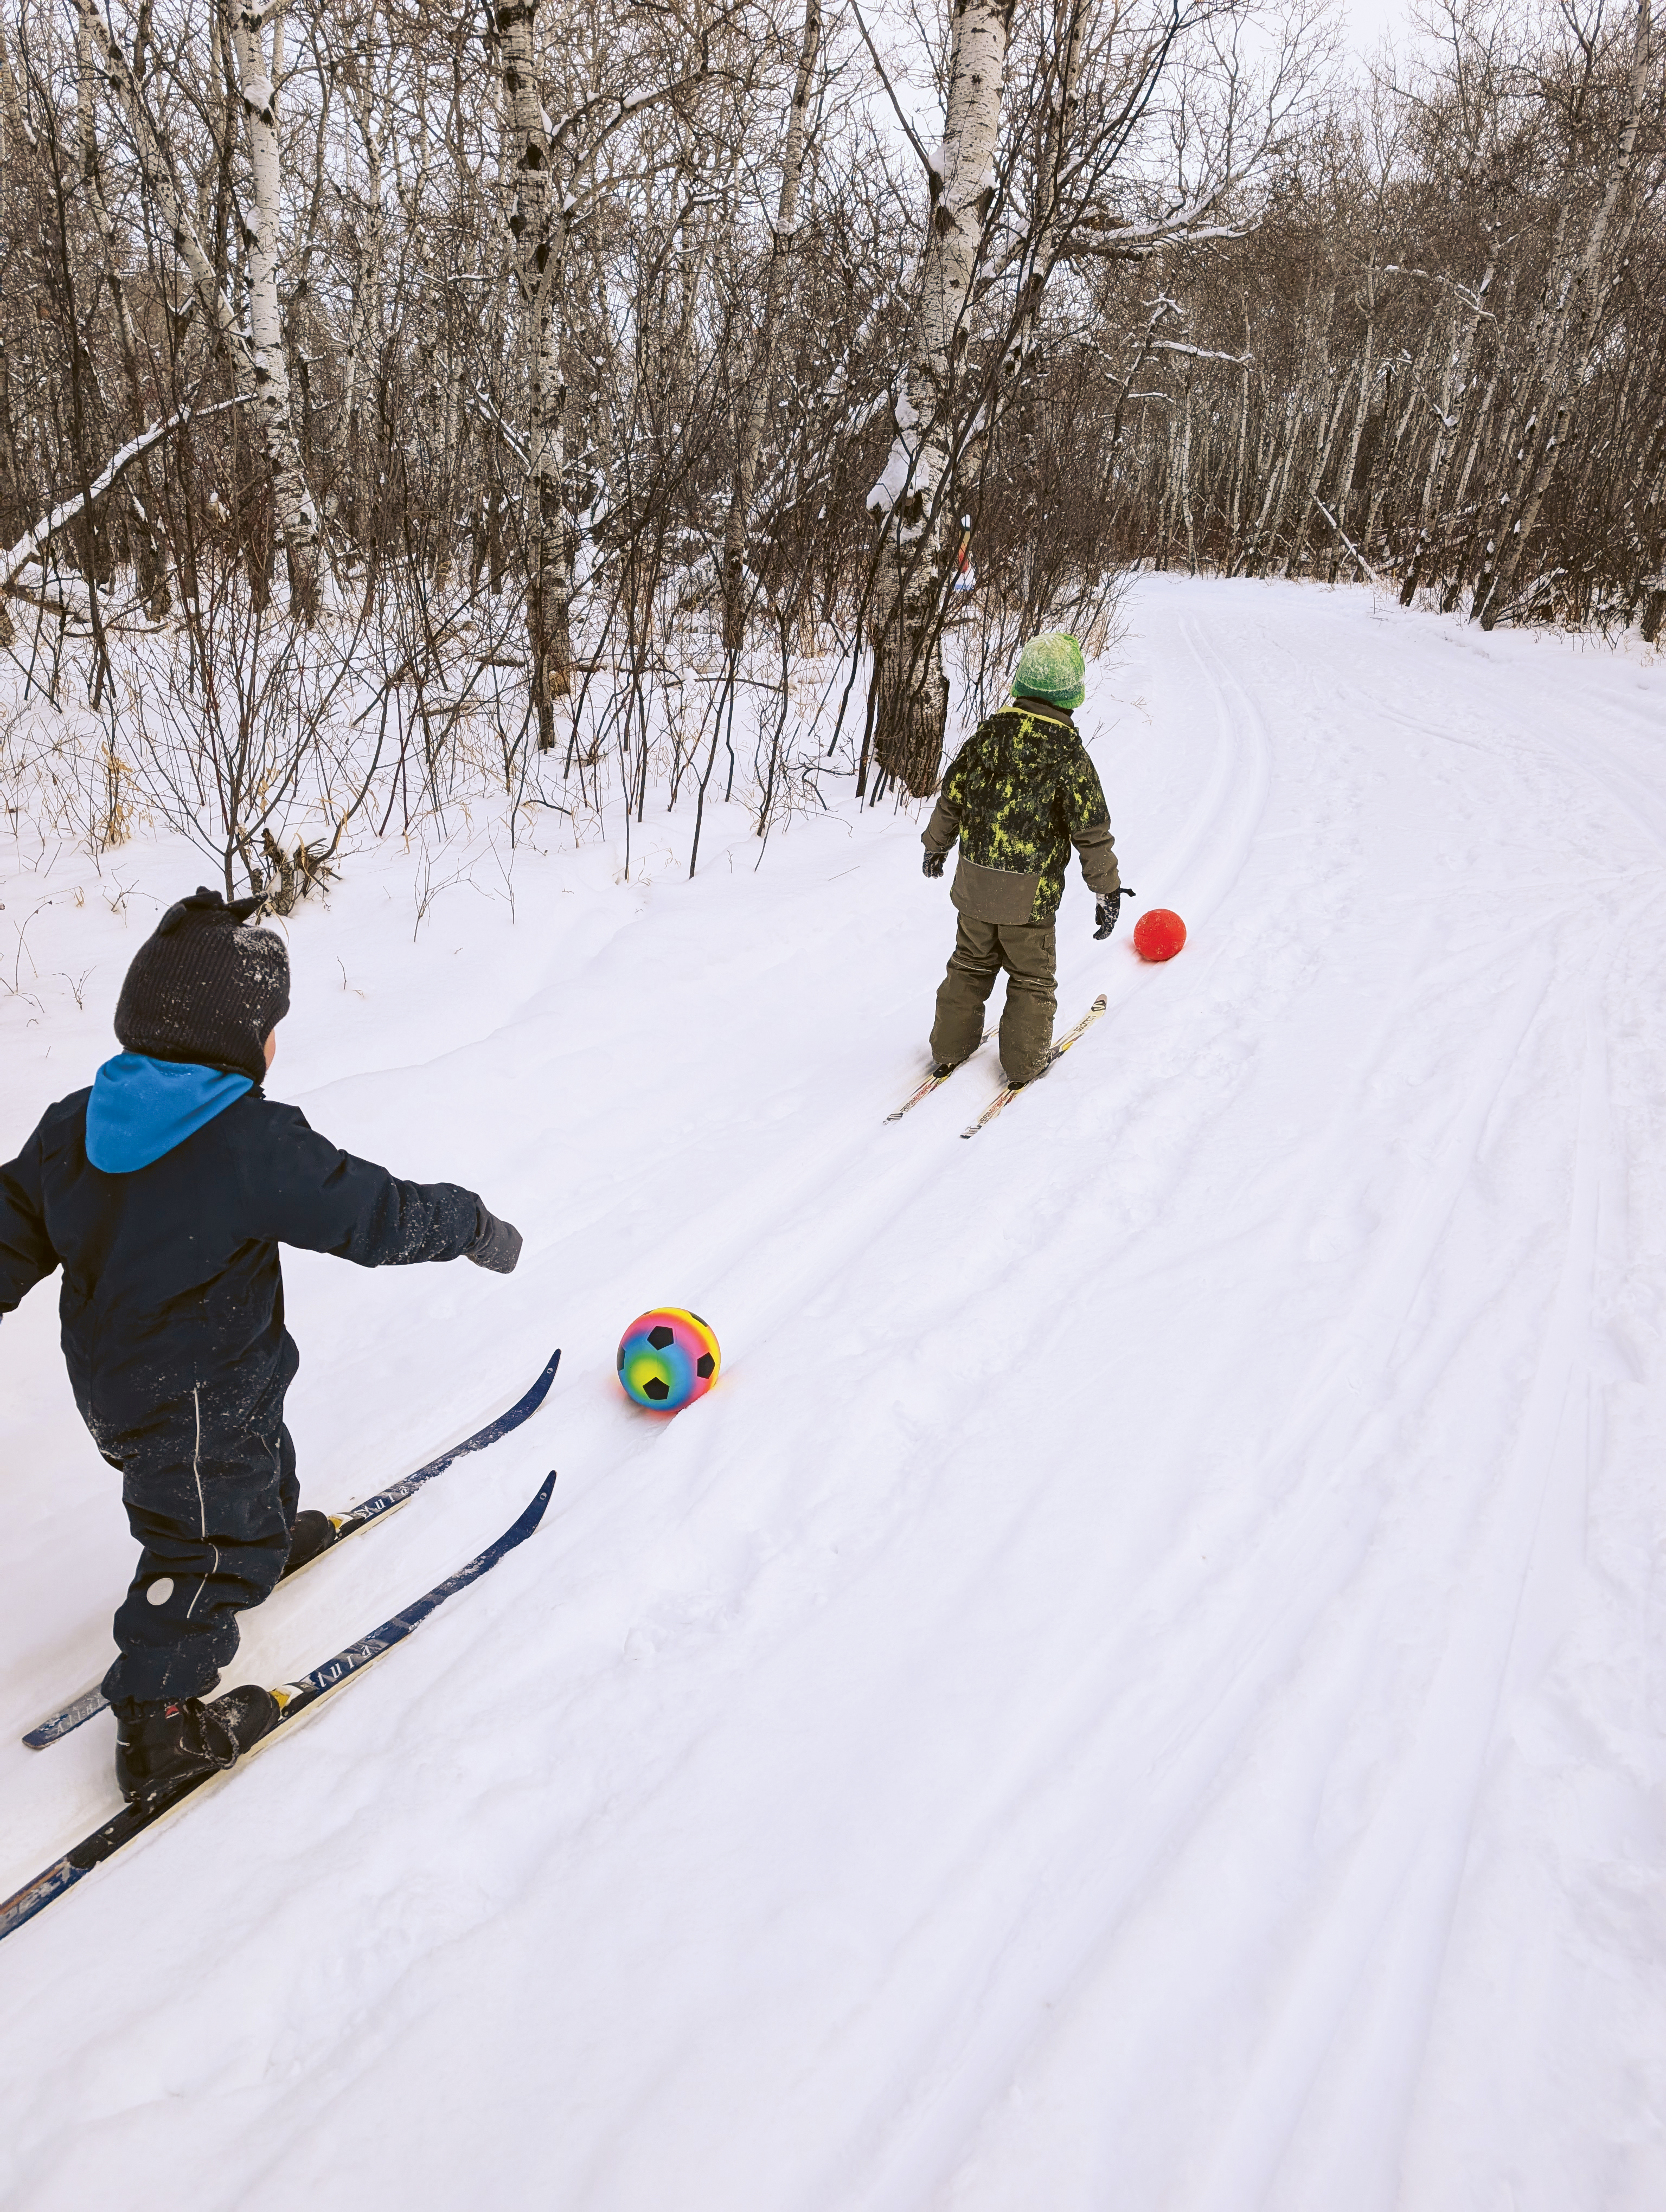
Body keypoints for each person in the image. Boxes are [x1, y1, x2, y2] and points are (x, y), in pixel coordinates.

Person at [0, 889, 522, 1807]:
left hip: (147, 1381)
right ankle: (160, 1721)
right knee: (204, 1542)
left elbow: (6, 1227)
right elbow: (371, 1213)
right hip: (193, 1396)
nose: (277, 1043)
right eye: (271, 1026)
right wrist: (468, 1222)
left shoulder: (74, 1124)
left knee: (249, 1463)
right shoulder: (250, 1141)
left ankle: (264, 1539)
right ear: (234, 1036)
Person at [920, 630, 1125, 1086]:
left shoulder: (987, 736)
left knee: (969, 964)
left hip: (973, 884)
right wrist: (1106, 889)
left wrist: (936, 845)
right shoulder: (1069, 754)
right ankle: (1024, 1062)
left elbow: (952, 798)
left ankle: (950, 1048)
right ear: (1073, 693)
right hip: (1028, 899)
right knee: (1031, 977)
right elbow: (1090, 832)